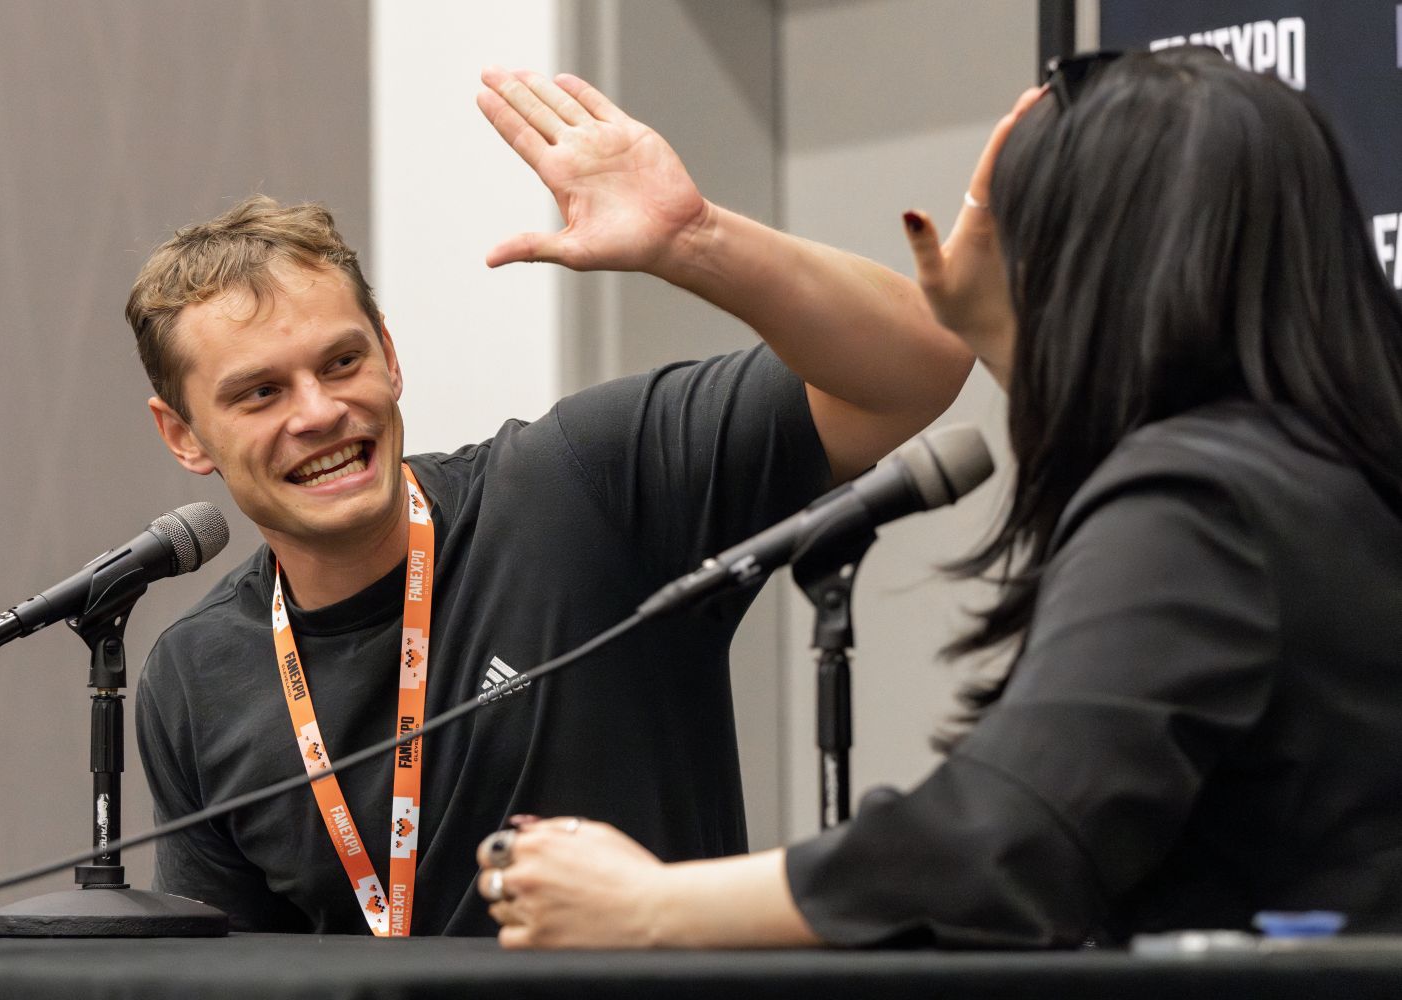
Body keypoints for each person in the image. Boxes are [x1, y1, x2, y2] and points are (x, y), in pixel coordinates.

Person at [474, 47, 1402, 949]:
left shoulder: (1199, 505)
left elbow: (997, 837)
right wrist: (977, 309)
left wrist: (648, 904)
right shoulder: (1325, 478)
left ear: (1098, 261)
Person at [129, 68, 974, 936]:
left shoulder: (581, 484)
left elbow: (925, 361)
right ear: (183, 434)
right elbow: (226, 973)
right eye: (260, 393)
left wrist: (696, 239)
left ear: (388, 355)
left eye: (341, 362)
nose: (318, 412)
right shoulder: (197, 675)